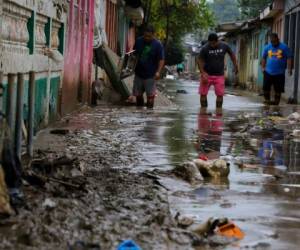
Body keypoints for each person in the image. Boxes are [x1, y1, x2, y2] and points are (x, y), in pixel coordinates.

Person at [197, 33, 238, 108]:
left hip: (219, 75)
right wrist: (202, 72)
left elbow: (232, 55)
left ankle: (218, 112)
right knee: (203, 93)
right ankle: (203, 112)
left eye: (213, 43)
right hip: (207, 74)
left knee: (220, 94)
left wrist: (235, 65)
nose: (212, 45)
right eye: (210, 43)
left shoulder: (224, 46)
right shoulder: (205, 48)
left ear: (217, 41)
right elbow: (199, 60)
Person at [132, 25, 165, 108]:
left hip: (151, 75)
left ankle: (149, 116)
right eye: (145, 36)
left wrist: (158, 72)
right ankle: (140, 115)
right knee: (138, 96)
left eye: (149, 36)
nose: (147, 38)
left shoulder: (158, 45)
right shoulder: (138, 41)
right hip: (138, 73)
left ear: (153, 35)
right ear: (143, 34)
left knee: (150, 98)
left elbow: (161, 60)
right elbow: (134, 55)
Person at [261, 33, 293, 105]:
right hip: (268, 71)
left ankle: (276, 102)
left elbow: (289, 58)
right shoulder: (267, 47)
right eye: (272, 42)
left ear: (278, 39)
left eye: (275, 41)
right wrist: (263, 68)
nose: (273, 43)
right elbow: (263, 58)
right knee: (266, 88)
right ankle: (267, 101)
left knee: (278, 89)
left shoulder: (284, 47)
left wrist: (289, 69)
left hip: (279, 72)